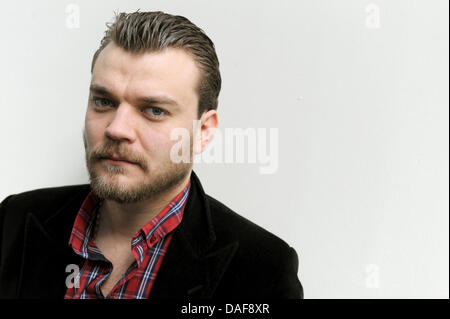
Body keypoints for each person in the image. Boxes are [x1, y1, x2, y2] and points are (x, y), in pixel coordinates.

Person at [0, 10, 303, 299]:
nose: (117, 129)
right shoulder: (14, 220)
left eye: (154, 110)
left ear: (204, 131)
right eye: (104, 102)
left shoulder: (262, 271)